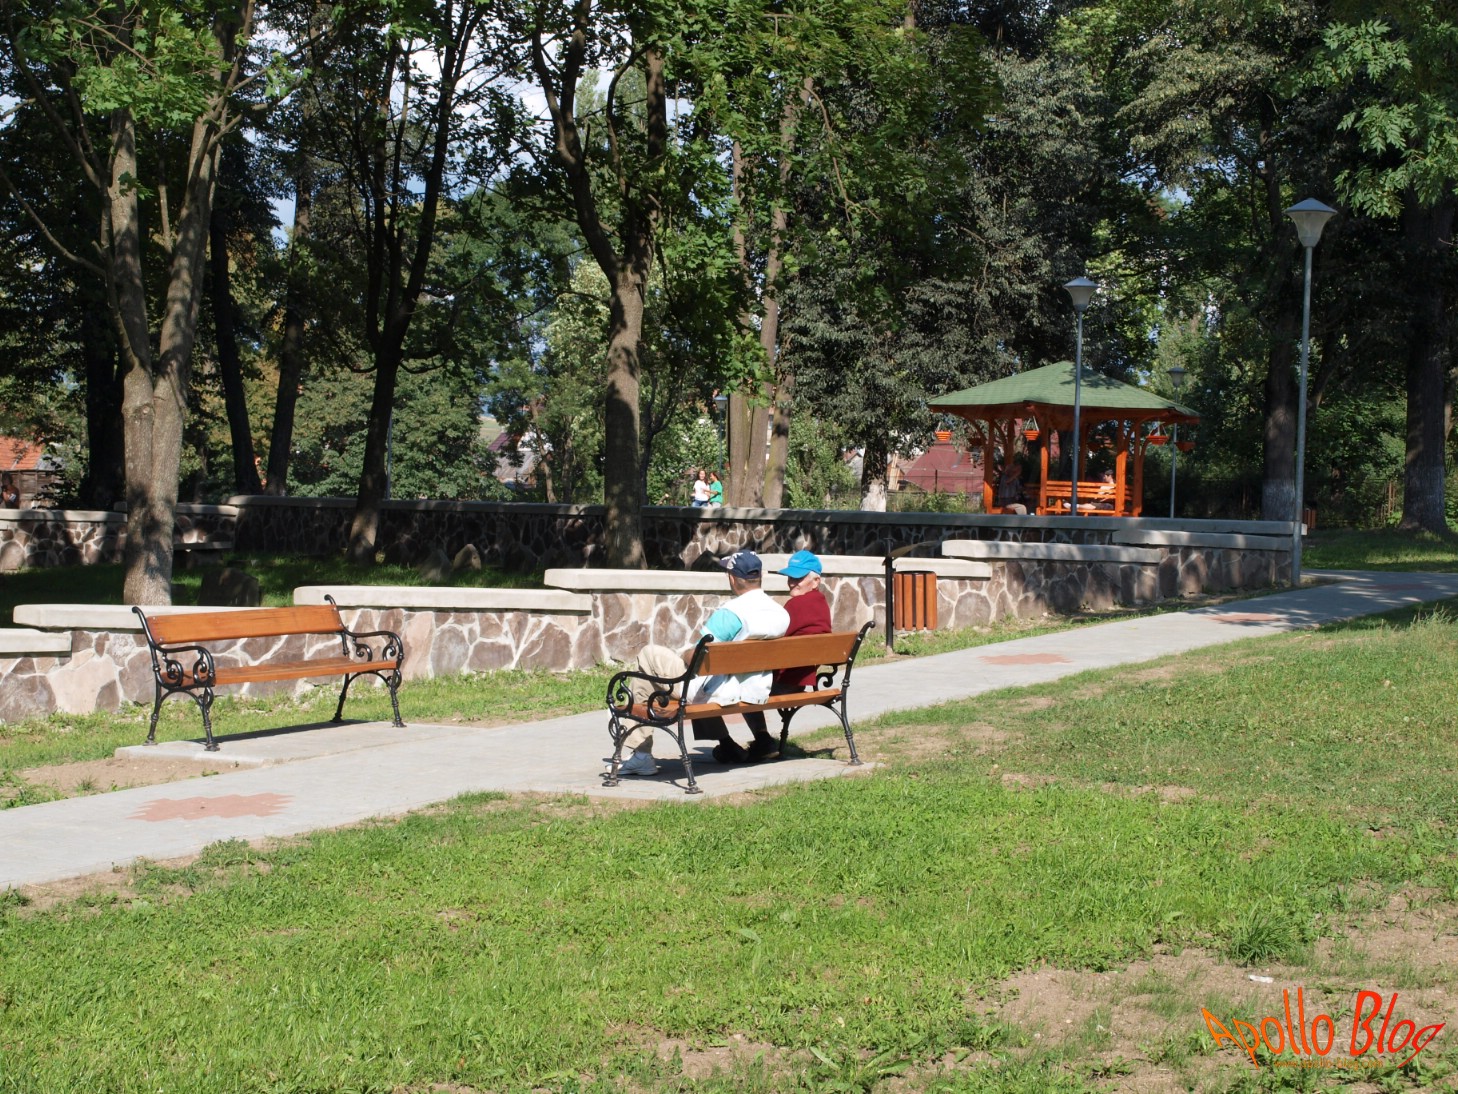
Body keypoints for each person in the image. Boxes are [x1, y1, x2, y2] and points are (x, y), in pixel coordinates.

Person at [616, 549, 789, 775]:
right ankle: (723, 744)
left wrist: (684, 654)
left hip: (717, 690)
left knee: (648, 656)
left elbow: (696, 659)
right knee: (648, 681)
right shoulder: (781, 613)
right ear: (760, 576)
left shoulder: (731, 613)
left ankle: (640, 754)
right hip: (753, 686)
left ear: (732, 578)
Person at [734, 549, 833, 760]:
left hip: (783, 682)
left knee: (742, 687)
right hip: (801, 680)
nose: (791, 583)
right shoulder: (822, 605)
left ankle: (762, 740)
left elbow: (772, 638)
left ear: (816, 581)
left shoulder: (795, 605)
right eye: (790, 577)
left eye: (798, 578)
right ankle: (761, 742)